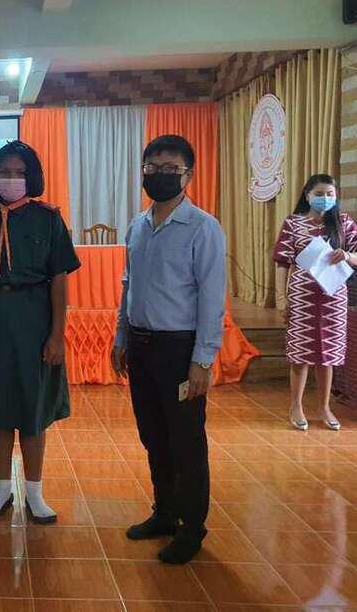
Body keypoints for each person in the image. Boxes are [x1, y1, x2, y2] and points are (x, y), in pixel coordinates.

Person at [110, 134, 226, 565]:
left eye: (170, 169)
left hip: (179, 350)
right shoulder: (137, 226)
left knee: (186, 442)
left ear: (187, 175)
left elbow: (211, 297)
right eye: (152, 168)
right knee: (153, 436)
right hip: (141, 346)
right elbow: (129, 286)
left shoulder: (203, 227)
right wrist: (121, 337)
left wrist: (202, 360)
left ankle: (192, 528)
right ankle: (164, 513)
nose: (159, 175)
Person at [0, 141, 80, 524]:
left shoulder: (48, 219)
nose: (11, 179)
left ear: (31, 177)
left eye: (19, 172)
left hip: (35, 321)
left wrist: (57, 335)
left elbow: (59, 280)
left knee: (33, 409)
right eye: (5, 172)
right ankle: (2, 488)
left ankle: (35, 491)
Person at [272, 174, 357, 432]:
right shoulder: (293, 223)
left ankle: (324, 407)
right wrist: (281, 298)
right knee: (300, 353)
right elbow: (282, 262)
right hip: (302, 297)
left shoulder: (343, 222)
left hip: (333, 298)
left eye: (330, 194)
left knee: (327, 354)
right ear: (307, 195)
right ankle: (296, 406)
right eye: (319, 194)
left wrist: (348, 255)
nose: (325, 198)